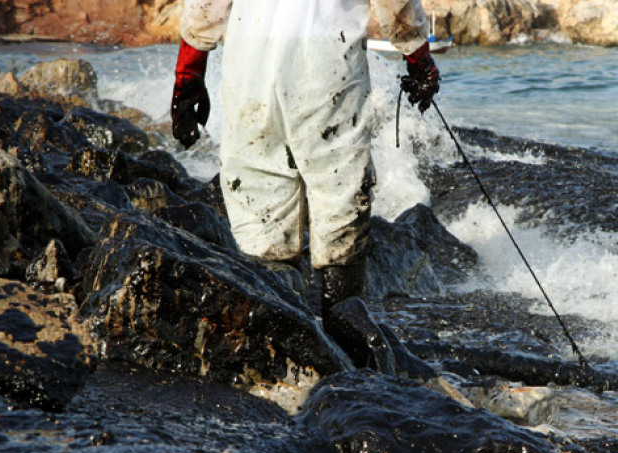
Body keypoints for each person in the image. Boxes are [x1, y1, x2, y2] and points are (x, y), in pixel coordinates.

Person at [171, 0, 439, 372]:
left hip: (250, 66)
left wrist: (187, 78)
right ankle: (349, 345)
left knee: (260, 211)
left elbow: (207, 7)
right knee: (339, 197)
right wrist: (419, 58)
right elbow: (395, 6)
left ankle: (277, 364)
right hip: (325, 64)